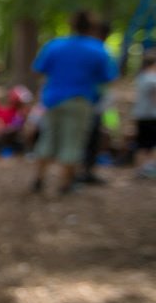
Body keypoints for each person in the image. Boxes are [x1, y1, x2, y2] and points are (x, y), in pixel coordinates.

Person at [30, 10, 118, 196]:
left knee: (48, 138)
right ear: (91, 27)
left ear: (71, 24)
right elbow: (108, 77)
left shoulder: (54, 45)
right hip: (80, 100)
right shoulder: (97, 49)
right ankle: (65, 184)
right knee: (73, 142)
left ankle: (39, 179)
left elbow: (39, 69)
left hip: (52, 99)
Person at [77, 19, 115, 184]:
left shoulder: (91, 49)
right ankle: (82, 171)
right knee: (88, 137)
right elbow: (109, 77)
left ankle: (84, 171)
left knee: (92, 136)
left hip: (92, 101)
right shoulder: (98, 50)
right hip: (89, 101)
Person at [134, 48, 156, 179]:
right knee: (152, 143)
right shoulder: (152, 79)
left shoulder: (141, 77)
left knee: (142, 143)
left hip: (141, 115)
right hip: (152, 115)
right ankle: (149, 167)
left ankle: (141, 168)